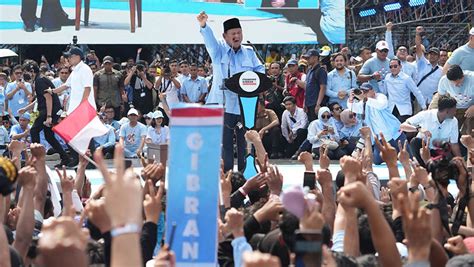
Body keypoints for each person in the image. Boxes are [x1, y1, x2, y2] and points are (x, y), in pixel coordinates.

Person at [198, 12, 265, 172]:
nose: (237, 36)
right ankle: (227, 175)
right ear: (225, 36)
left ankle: (246, 172)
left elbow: (260, 69)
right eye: (233, 33)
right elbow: (209, 41)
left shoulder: (249, 52)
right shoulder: (218, 50)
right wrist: (204, 26)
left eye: (239, 32)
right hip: (224, 105)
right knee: (225, 143)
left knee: (246, 141)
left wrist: (255, 79)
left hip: (245, 105)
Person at [24, 61, 75, 167]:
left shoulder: (40, 81)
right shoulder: (40, 79)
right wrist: (25, 108)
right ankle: (65, 157)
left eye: (26, 72)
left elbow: (48, 98)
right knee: (49, 136)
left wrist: (49, 116)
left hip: (49, 110)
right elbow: (40, 98)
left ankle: (36, 159)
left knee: (34, 130)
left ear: (32, 71)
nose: (26, 74)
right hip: (51, 110)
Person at [348, 82, 408, 165]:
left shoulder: (381, 97)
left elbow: (381, 105)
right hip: (379, 138)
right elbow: (354, 108)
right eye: (363, 92)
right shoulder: (364, 102)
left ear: (373, 91)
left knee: (408, 157)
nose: (364, 93)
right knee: (377, 161)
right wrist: (351, 99)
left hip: (395, 134)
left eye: (366, 91)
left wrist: (365, 99)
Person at [400, 95, 461, 166]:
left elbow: (454, 144)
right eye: (454, 109)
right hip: (424, 150)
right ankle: (422, 167)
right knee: (415, 141)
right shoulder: (426, 115)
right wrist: (419, 129)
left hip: (440, 152)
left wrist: (460, 161)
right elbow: (402, 126)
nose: (456, 112)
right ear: (447, 111)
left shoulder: (454, 121)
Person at [48, 47, 96, 115]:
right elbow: (66, 85)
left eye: (70, 57)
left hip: (84, 109)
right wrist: (52, 91)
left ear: (77, 57)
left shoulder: (85, 69)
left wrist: (82, 106)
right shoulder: (74, 71)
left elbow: (87, 89)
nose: (68, 59)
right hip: (74, 109)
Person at [382, 58, 426, 123]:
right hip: (391, 109)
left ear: (400, 66)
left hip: (404, 109)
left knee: (401, 129)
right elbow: (384, 92)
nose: (393, 68)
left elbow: (416, 92)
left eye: (395, 66)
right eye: (391, 67)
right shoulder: (387, 77)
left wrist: (424, 106)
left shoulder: (406, 78)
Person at [436, 64, 474, 134]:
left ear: (463, 76)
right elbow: (441, 97)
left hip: (471, 107)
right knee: (450, 130)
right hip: (455, 107)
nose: (456, 85)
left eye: (459, 82)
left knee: (468, 132)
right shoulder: (444, 80)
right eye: (453, 83)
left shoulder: (472, 78)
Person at [415, 26, 443, 107]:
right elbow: (418, 46)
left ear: (438, 57)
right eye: (430, 54)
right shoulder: (422, 63)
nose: (432, 56)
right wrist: (418, 34)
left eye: (435, 54)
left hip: (433, 102)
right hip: (420, 100)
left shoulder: (442, 70)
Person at [304, 49, 328, 122]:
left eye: (309, 58)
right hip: (309, 104)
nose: (307, 60)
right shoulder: (309, 70)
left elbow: (323, 88)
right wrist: (305, 103)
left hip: (316, 103)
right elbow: (307, 87)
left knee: (318, 125)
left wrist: (318, 104)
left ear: (315, 58)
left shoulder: (321, 70)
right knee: (312, 125)